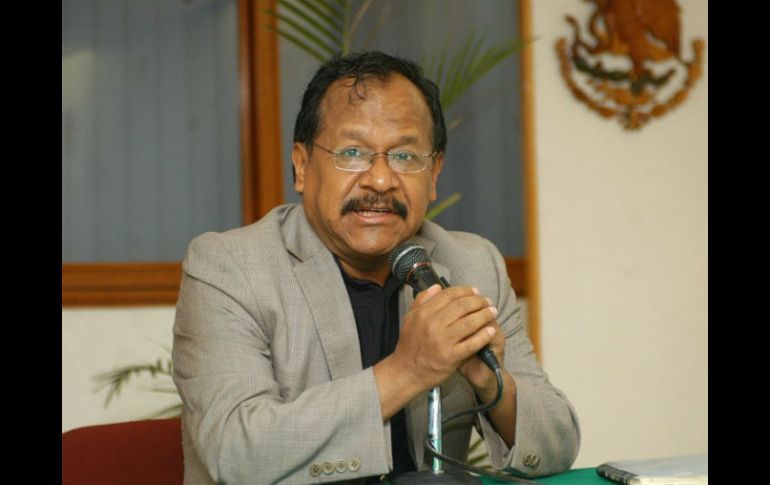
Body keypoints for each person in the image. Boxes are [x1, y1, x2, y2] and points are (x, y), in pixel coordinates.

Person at [172, 50, 580, 485]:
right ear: (302, 166)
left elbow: (558, 445)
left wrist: (493, 385)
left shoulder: (472, 264)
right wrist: (406, 371)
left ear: (434, 173)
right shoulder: (231, 268)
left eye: (405, 156)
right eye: (352, 152)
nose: (381, 180)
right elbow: (233, 452)